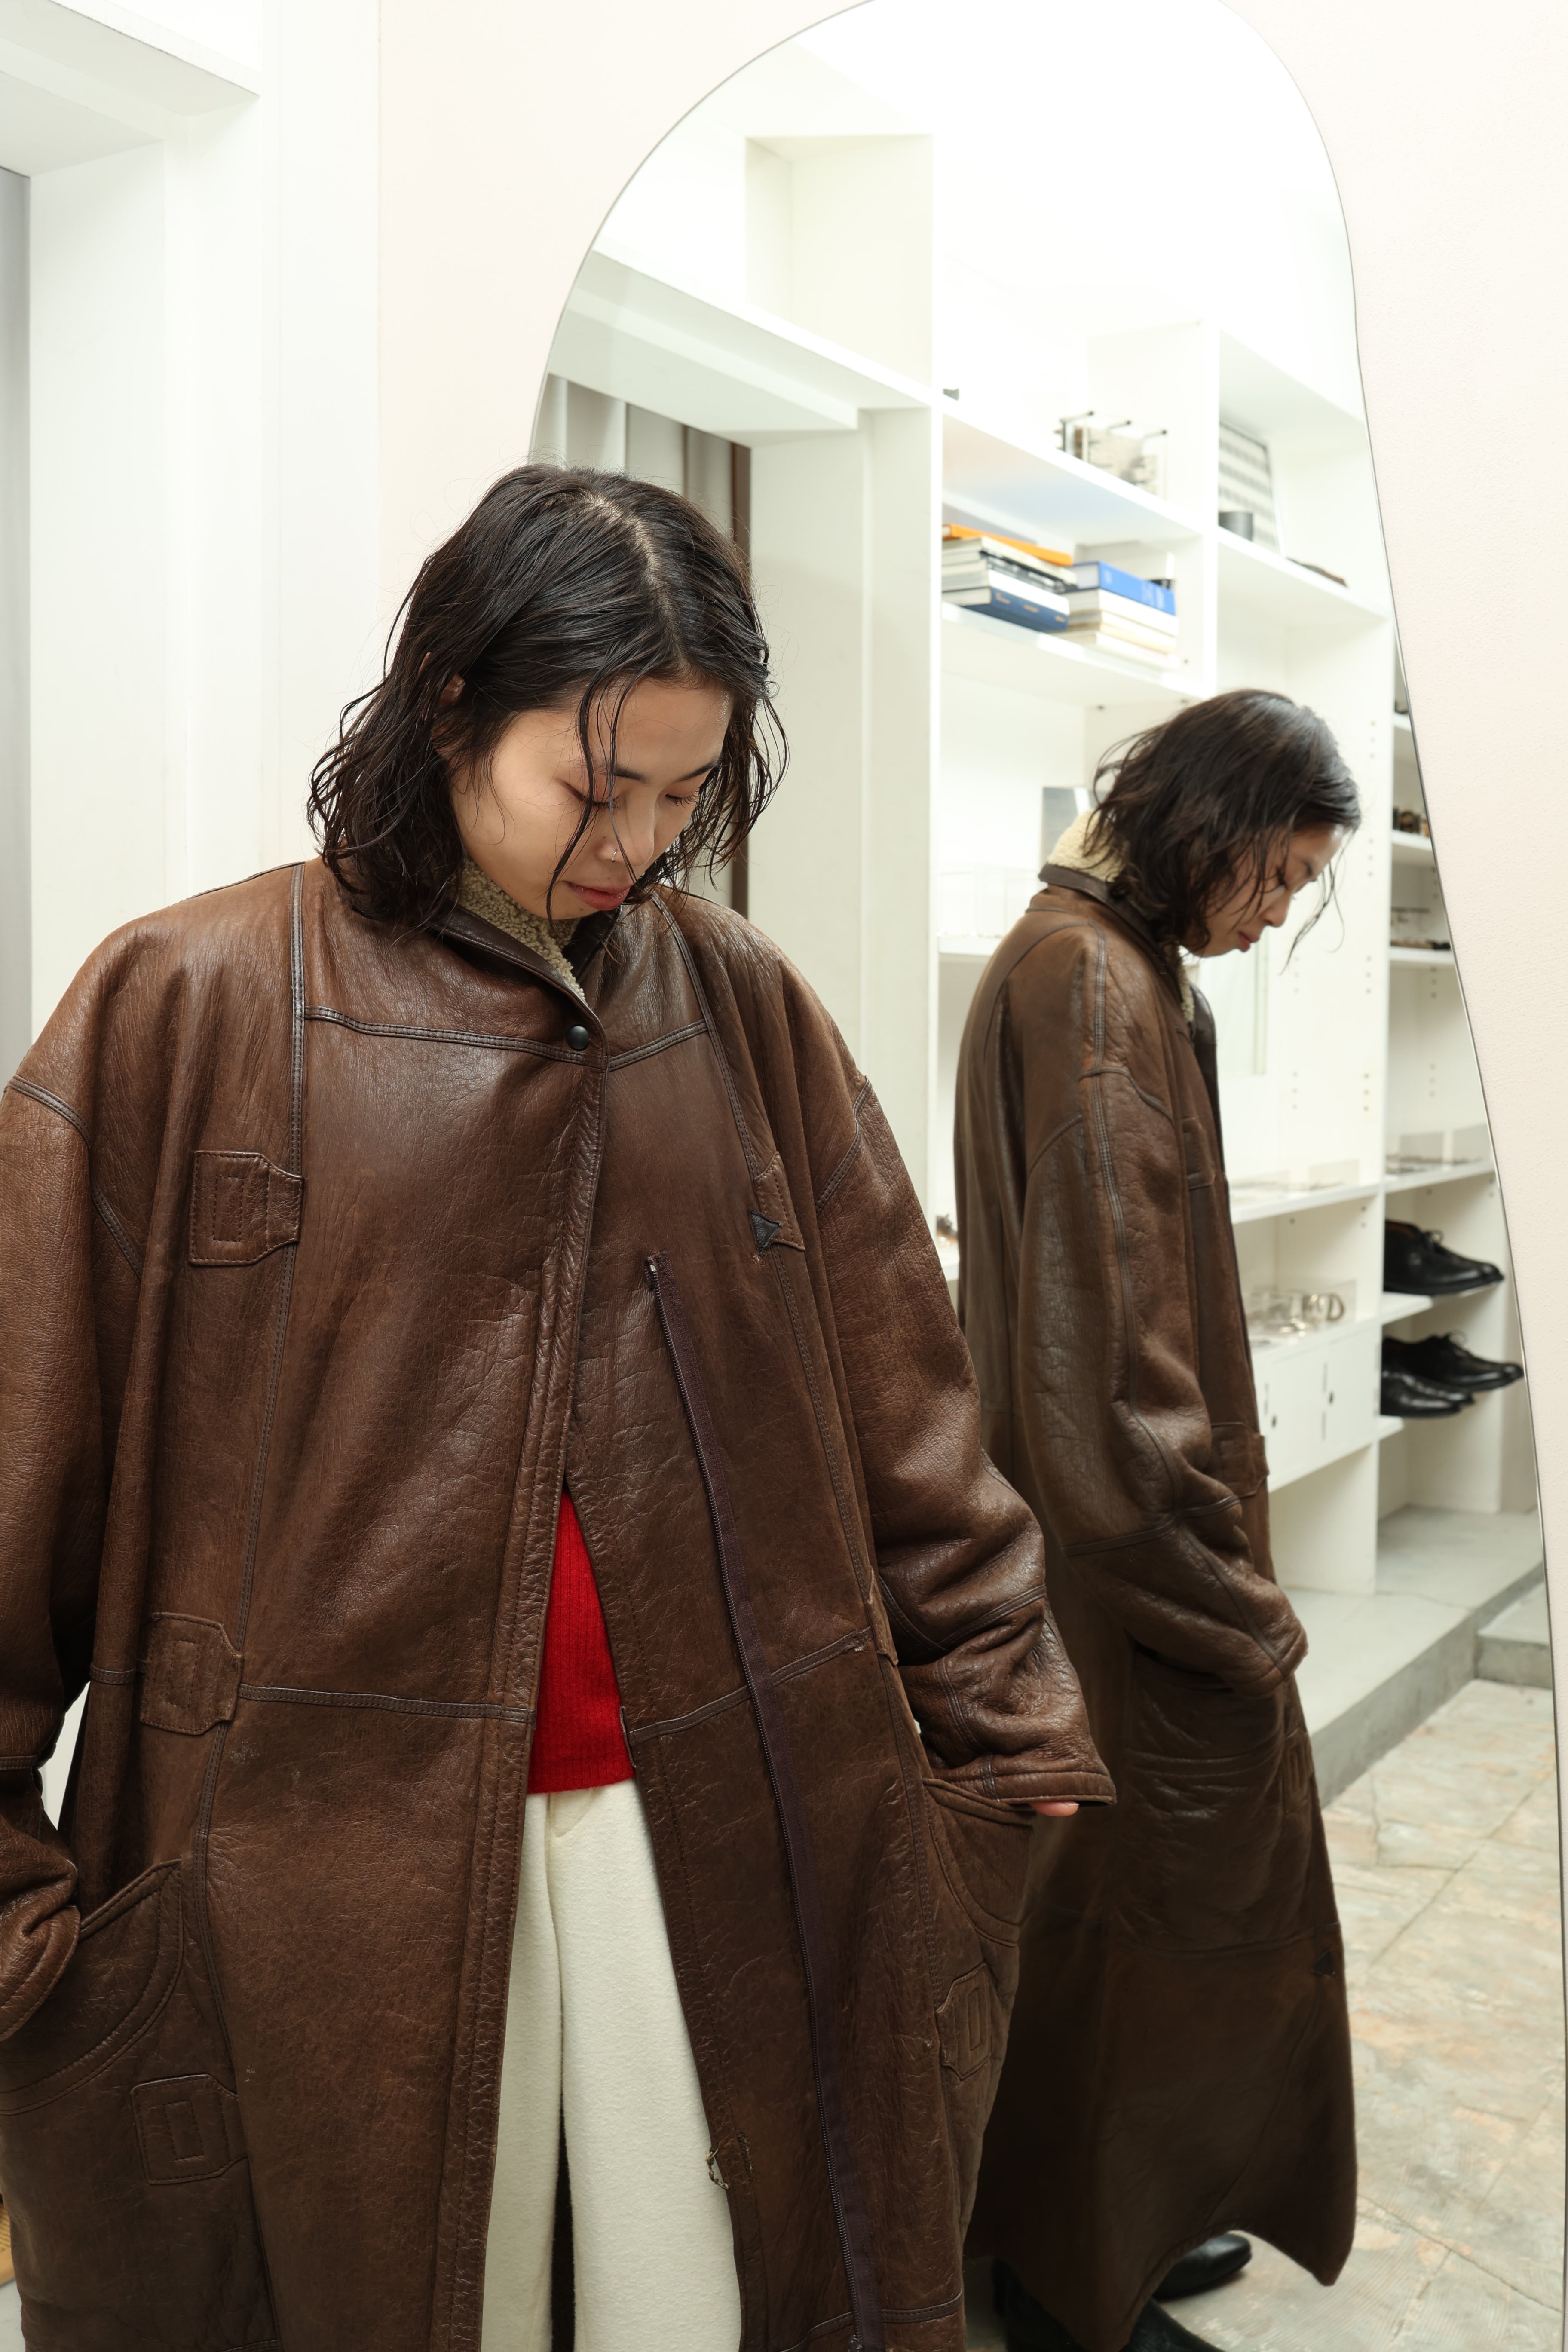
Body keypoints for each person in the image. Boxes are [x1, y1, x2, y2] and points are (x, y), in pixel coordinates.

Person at [0, 466, 1111, 2352]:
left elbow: (910, 1420)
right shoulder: (187, 1000)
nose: (640, 842)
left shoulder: (741, 1007)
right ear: (452, 706)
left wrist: (1008, 1752)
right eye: (596, 787)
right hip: (304, 1901)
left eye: (686, 793)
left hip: (727, 1844)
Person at [955, 690, 1362, 2352]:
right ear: (1213, 827)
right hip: (1126, 1576)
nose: (1273, 920)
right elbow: (1119, 1388)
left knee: (1116, 1935)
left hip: (1091, 1560)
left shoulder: (1097, 963)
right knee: (1135, 1937)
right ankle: (1075, 2283)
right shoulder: (1097, 988)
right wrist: (1240, 1612)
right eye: (1279, 878)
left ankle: (1092, 2236)